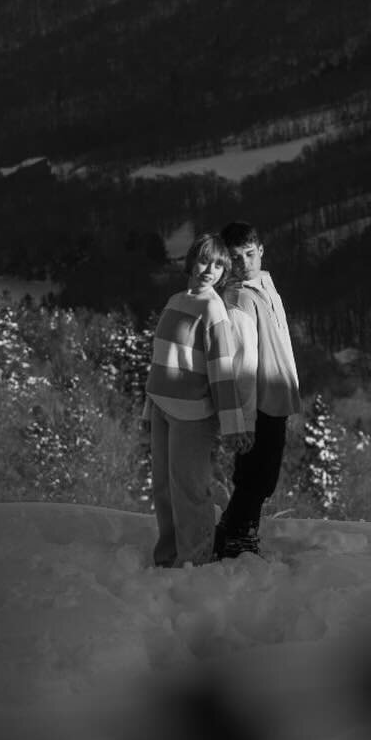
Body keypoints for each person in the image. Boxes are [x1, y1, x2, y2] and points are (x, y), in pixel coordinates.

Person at [143, 233, 250, 568]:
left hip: (192, 417)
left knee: (190, 492)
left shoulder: (212, 309)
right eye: (205, 260)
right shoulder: (176, 300)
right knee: (163, 489)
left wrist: (234, 426)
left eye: (219, 264)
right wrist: (149, 409)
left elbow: (223, 373)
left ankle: (196, 561)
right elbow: (161, 360)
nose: (211, 270)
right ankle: (168, 556)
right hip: (162, 408)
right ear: (191, 261)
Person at [214, 220, 301, 559]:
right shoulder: (237, 298)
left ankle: (234, 529)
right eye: (235, 258)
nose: (244, 264)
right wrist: (244, 420)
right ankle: (237, 537)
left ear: (261, 250)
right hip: (259, 402)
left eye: (249, 254)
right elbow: (242, 365)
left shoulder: (264, 284)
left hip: (276, 398)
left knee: (265, 475)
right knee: (254, 475)